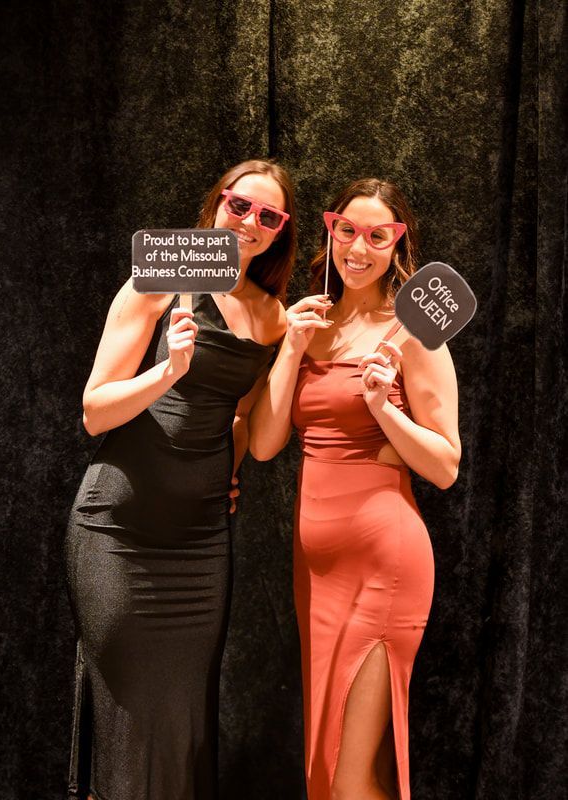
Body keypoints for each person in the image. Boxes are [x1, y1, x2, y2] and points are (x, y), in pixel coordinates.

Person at [65, 159, 296, 800]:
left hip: (199, 543)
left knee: (183, 719)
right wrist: (168, 370)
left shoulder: (273, 316)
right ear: (217, 205)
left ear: (281, 232)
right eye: (239, 205)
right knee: (130, 712)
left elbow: (245, 418)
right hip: (119, 526)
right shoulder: (160, 278)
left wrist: (230, 469)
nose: (250, 222)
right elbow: (94, 410)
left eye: (268, 216)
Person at [249, 178, 460, 800]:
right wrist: (290, 347)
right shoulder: (307, 322)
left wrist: (385, 411)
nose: (358, 248)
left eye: (378, 235)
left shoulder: (414, 331)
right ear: (330, 230)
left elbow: (446, 465)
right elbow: (263, 445)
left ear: (399, 245)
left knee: (348, 774)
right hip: (315, 572)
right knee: (324, 764)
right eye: (348, 230)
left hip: (384, 564)